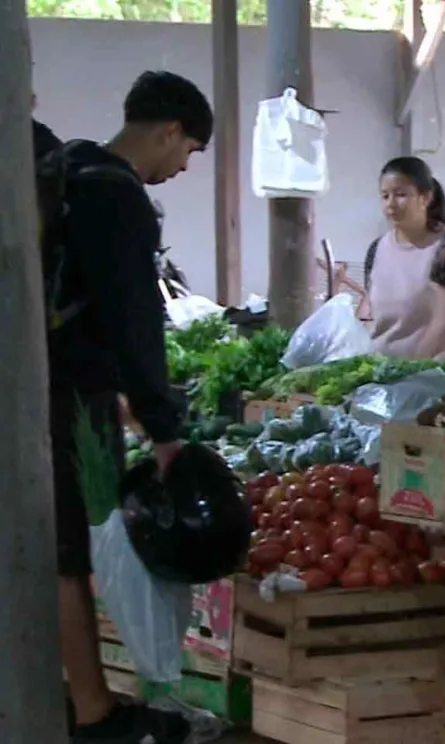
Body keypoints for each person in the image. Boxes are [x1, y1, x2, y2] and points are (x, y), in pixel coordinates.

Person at [47, 70, 212, 744]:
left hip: (47, 386)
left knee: (56, 550)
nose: (182, 166)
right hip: (71, 399)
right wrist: (162, 424)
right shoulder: (118, 197)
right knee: (68, 555)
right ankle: (94, 713)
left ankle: (78, 697)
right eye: (190, 151)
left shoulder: (66, 167)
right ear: (168, 131)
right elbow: (133, 319)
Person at [365, 156, 445, 359]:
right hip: (381, 375)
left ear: (426, 198)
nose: (391, 204)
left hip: (435, 378)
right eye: (385, 196)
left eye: (401, 195)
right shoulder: (376, 250)